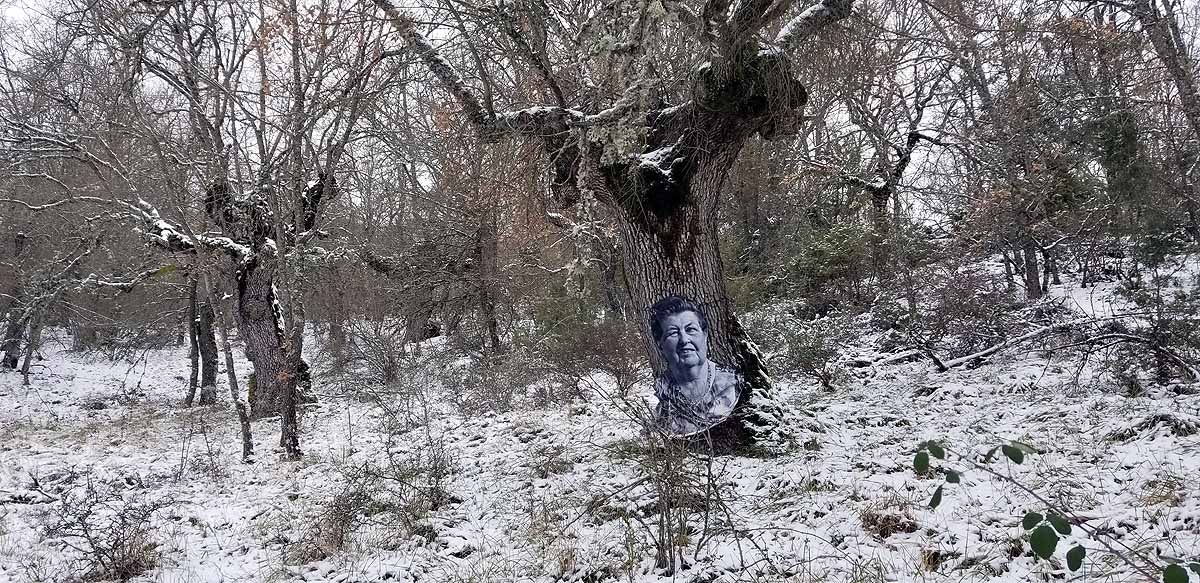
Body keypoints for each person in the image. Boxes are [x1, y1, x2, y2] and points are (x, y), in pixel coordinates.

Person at [648, 296, 742, 435]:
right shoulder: (664, 391)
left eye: (691, 329)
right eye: (673, 333)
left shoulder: (732, 384)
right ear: (660, 344)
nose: (684, 340)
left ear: (705, 335)